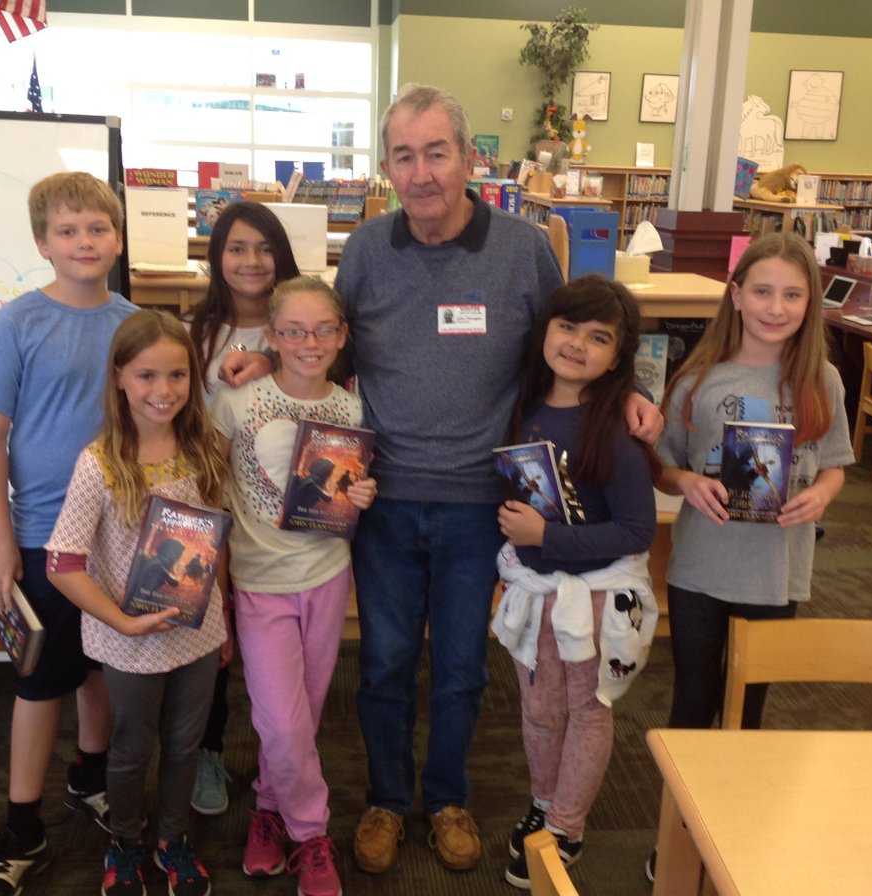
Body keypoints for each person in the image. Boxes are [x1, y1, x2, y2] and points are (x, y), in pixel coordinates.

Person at [328, 82, 664, 876]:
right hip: (387, 498)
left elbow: (578, 340)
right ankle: (384, 797)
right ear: (385, 166)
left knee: (462, 667)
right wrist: (262, 364)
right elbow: (330, 353)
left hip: (488, 504)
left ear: (469, 158)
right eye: (404, 156)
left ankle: (446, 798)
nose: (421, 173)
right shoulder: (368, 250)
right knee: (382, 661)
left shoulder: (522, 248)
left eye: (436, 152)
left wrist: (635, 393)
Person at [646, 232, 854, 880]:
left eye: (792, 294)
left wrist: (821, 494)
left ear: (809, 303)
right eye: (762, 291)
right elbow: (663, 464)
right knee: (694, 701)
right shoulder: (698, 379)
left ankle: (731, 834)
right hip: (703, 569)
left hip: (776, 574)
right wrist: (686, 483)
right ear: (735, 296)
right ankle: (674, 839)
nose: (776, 306)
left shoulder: (822, 379)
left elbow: (838, 465)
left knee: (749, 711)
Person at [0, 171, 137, 896]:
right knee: (40, 682)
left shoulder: (132, 322)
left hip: (115, 533)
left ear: (118, 238)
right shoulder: (17, 323)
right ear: (43, 243)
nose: (84, 242)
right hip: (41, 533)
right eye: (67, 231)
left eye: (97, 228)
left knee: (98, 664)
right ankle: (22, 825)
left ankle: (89, 780)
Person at [46, 310, 230, 896]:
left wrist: (221, 620)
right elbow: (63, 563)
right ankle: (124, 843)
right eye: (148, 375)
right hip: (129, 639)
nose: (164, 390)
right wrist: (123, 622)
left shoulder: (204, 451)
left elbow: (215, 540)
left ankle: (172, 841)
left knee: (184, 744)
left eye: (178, 376)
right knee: (130, 750)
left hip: (197, 635)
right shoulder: (99, 464)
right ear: (121, 376)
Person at [490, 276, 659, 889]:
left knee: (585, 709)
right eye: (567, 327)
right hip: (535, 590)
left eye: (599, 337)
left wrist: (547, 540)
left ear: (619, 355)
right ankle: (543, 800)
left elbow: (638, 531)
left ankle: (567, 824)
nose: (577, 345)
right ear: (545, 330)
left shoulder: (614, 426)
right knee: (539, 708)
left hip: (593, 595)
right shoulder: (522, 407)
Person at [211, 277, 377, 896]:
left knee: (298, 719)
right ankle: (311, 834)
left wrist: (363, 493)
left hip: (327, 579)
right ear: (272, 337)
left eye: (323, 330)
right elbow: (209, 488)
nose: (310, 342)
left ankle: (267, 806)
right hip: (258, 584)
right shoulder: (236, 403)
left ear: (342, 336)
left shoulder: (353, 409)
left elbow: (353, 489)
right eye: (294, 331)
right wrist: (215, 590)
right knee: (280, 722)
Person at [184, 201, 302, 816]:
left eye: (263, 248)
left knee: (273, 648)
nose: (251, 261)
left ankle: (276, 764)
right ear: (216, 257)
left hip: (281, 516)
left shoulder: (301, 325)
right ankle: (208, 752)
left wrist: (274, 360)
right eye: (236, 248)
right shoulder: (196, 332)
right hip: (209, 504)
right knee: (211, 635)